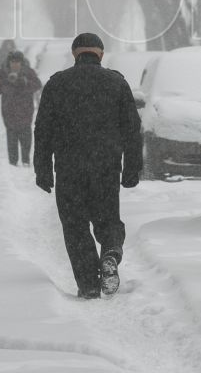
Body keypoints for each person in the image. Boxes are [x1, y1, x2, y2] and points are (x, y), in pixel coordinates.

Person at [34, 32, 142, 300]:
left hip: (69, 168)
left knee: (75, 225)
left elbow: (43, 130)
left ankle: (89, 284)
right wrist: (132, 167)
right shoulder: (117, 83)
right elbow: (132, 129)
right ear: (101, 54)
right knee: (108, 218)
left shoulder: (57, 84)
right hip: (106, 167)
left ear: (74, 54)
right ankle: (111, 251)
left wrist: (42, 169)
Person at [0, 50, 41, 166]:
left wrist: (25, 82)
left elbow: (38, 85)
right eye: (13, 62)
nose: (15, 64)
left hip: (25, 110)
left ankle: (25, 160)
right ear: (9, 62)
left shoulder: (28, 72)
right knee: (11, 136)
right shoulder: (3, 73)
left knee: (25, 135)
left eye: (17, 62)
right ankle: (13, 162)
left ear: (21, 63)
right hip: (8, 111)